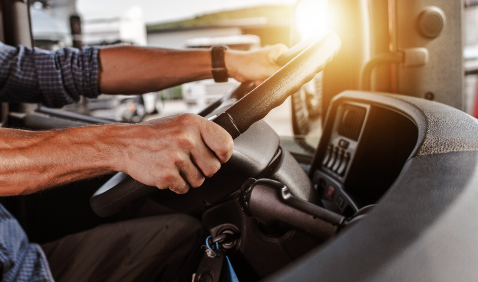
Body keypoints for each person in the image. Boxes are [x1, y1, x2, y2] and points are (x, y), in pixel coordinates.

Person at [0, 41, 287, 281]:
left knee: (182, 238)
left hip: (21, 258)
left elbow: (70, 70)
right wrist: (124, 144)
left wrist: (230, 61)